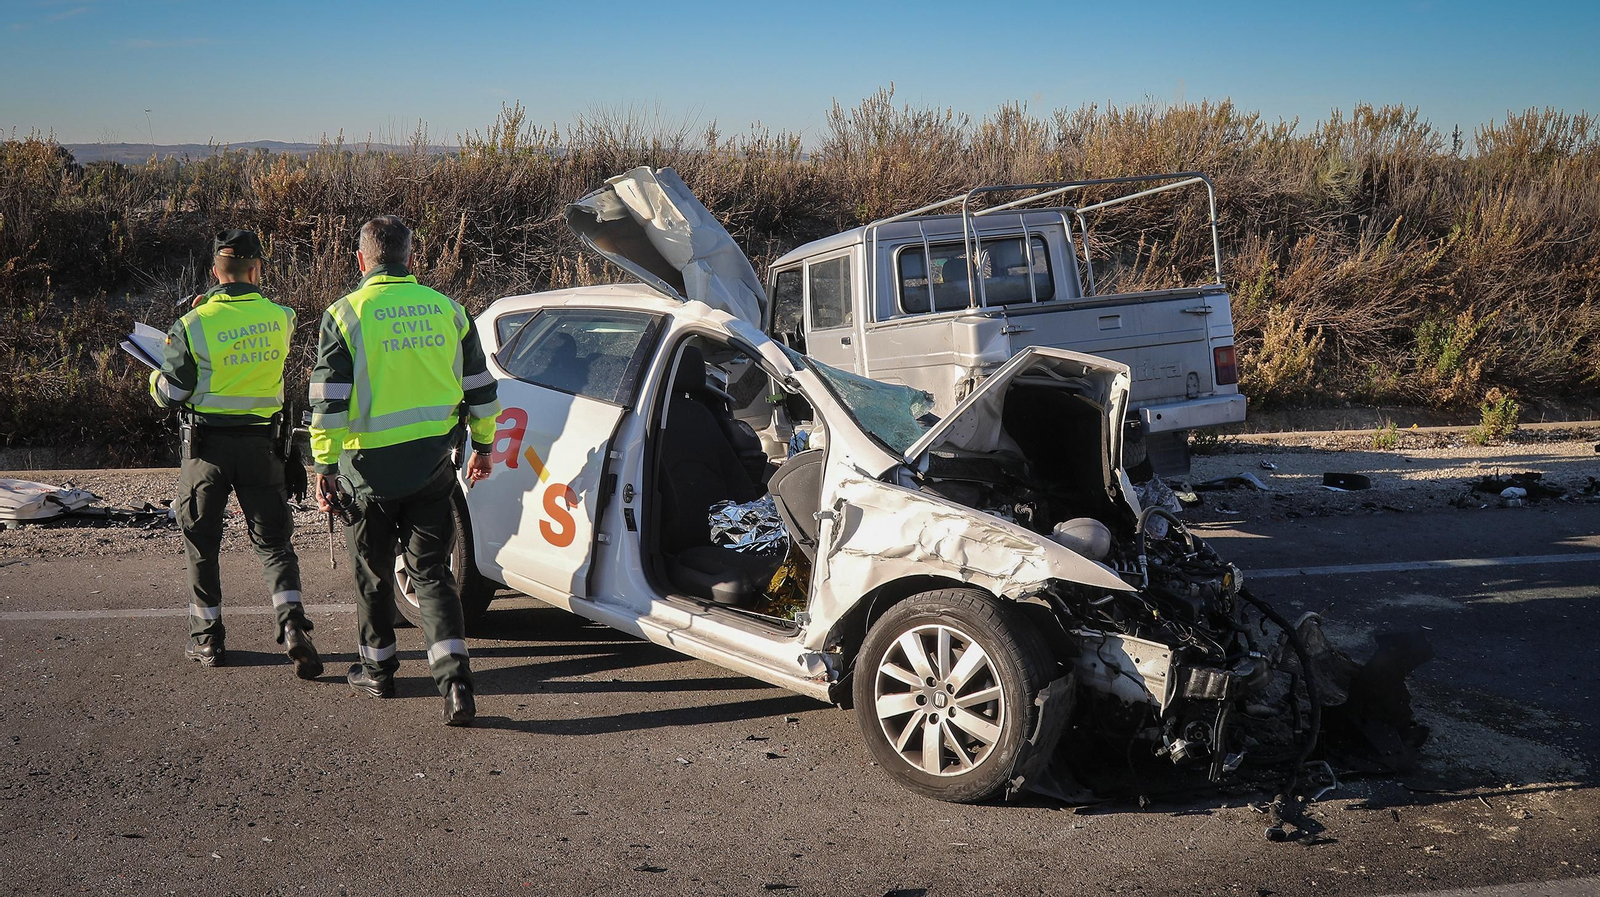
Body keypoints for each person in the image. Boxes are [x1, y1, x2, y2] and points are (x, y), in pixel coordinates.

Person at [307, 215, 499, 726]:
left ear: (361, 260)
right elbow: (481, 390)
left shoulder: (345, 315)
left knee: (373, 574)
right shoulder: (449, 311)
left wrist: (324, 464)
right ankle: (455, 683)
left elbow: (329, 401)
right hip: (431, 467)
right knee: (432, 573)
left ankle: (378, 671)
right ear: (410, 257)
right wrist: (483, 446)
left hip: (365, 474)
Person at [149, 229, 322, 679]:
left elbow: (172, 392)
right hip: (263, 446)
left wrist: (156, 375)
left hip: (207, 450)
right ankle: (292, 624)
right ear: (256, 269)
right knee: (274, 543)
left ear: (214, 271)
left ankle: (207, 640)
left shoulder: (192, 324)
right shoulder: (282, 318)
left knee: (202, 543)